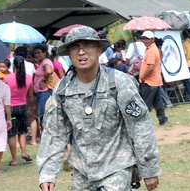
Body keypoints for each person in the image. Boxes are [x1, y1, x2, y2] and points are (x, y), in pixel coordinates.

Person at [36, 25, 161, 191]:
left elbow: (140, 126)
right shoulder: (63, 89)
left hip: (116, 167)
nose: (81, 52)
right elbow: (54, 133)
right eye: (75, 47)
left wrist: (149, 168)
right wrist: (47, 173)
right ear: (69, 53)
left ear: (99, 50)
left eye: (87, 45)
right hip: (82, 171)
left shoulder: (119, 83)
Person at [4, 56, 34, 166]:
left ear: (14, 66)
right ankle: (24, 152)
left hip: (10, 108)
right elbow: (30, 95)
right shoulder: (29, 78)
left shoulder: (7, 78)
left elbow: (3, 94)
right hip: (23, 107)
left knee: (12, 133)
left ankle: (14, 159)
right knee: (22, 131)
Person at [138, 30, 168, 125]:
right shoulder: (152, 49)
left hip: (149, 81)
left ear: (152, 40)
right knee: (157, 102)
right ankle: (162, 119)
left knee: (146, 102)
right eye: (143, 38)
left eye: (147, 39)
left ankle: (143, 122)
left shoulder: (151, 51)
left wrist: (143, 77)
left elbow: (150, 67)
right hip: (155, 81)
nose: (145, 41)